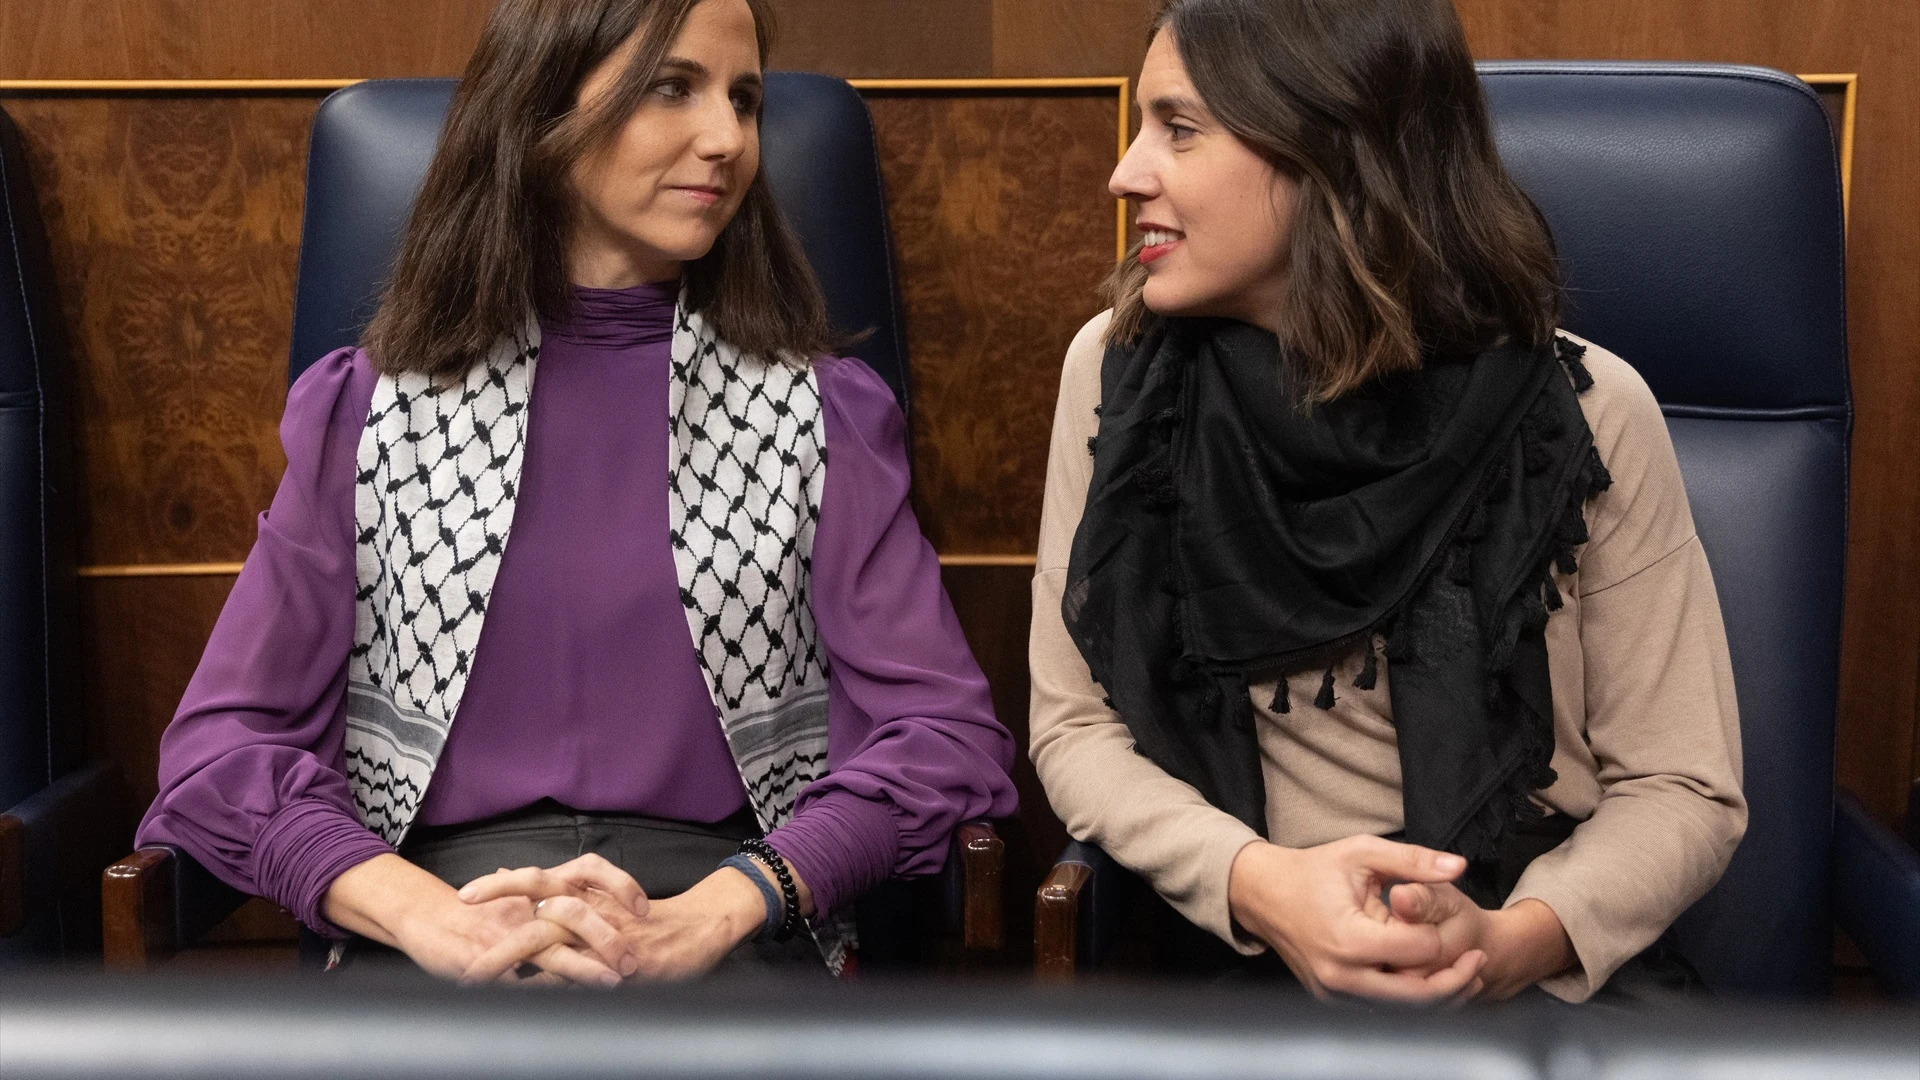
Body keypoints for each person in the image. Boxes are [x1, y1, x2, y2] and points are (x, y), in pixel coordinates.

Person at [137, 0, 1015, 985]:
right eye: (672, 87)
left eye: (746, 98)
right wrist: (424, 915)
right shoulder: (367, 413)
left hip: (727, 924)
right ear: (543, 108)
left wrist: (721, 910)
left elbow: (945, 744)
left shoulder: (825, 416)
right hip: (432, 925)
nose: (728, 138)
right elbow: (219, 754)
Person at [1030, 0, 1745, 1004]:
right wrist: (1260, 885)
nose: (1126, 170)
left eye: (1179, 129)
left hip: (1526, 971)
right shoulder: (1116, 374)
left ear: (1332, 149)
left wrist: (1507, 946)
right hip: (1244, 966)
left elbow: (1683, 790)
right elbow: (1075, 731)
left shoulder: (1585, 413)